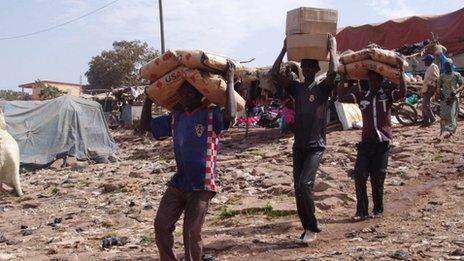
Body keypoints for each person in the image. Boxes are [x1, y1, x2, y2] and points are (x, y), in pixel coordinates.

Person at [140, 62, 236, 261]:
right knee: (161, 224)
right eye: (183, 93)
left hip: (202, 183)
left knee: (192, 232)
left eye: (190, 92)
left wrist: (231, 80)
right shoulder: (176, 118)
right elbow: (145, 126)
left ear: (200, 94)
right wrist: (148, 99)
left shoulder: (211, 114)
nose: (186, 96)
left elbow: (231, 115)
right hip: (180, 181)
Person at [271, 34, 337, 243]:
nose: (307, 70)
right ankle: (307, 228)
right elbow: (274, 73)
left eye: (311, 67)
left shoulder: (323, 89)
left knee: (305, 184)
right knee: (298, 189)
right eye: (304, 67)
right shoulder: (296, 88)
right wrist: (283, 49)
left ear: (317, 70)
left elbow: (334, 71)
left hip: (316, 146)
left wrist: (333, 48)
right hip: (298, 145)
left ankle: (313, 227)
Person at [337, 59, 407, 221]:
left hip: (382, 143)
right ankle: (361, 211)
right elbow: (341, 97)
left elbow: (402, 92)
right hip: (365, 143)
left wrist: (401, 72)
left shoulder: (387, 95)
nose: (373, 83)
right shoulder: (362, 96)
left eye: (376, 80)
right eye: (371, 80)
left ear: (381, 81)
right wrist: (342, 78)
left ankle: (378, 210)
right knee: (360, 175)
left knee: (378, 177)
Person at [438, 59, 463, 139]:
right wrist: (440, 93)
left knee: (451, 114)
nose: (447, 67)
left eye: (449, 65)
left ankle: (449, 131)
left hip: (453, 98)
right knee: (443, 115)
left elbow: (462, 85)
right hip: (444, 98)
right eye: (446, 65)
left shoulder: (457, 75)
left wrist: (456, 91)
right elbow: (438, 86)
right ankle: (443, 131)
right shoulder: (442, 76)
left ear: (452, 65)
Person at [421, 54, 440, 127]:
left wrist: (431, 87)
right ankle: (425, 121)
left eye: (425, 61)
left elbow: (436, 78)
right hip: (426, 89)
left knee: (426, 105)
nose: (424, 62)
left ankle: (432, 119)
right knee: (424, 105)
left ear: (429, 61)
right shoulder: (429, 67)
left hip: (429, 89)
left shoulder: (433, 66)